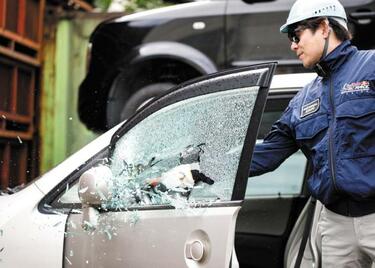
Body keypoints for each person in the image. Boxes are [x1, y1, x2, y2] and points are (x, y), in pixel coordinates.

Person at [249, 0, 375, 266]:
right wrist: (202, 166)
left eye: (297, 34)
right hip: (335, 224)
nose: (293, 45)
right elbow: (265, 155)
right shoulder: (302, 100)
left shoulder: (371, 66)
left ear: (325, 27)